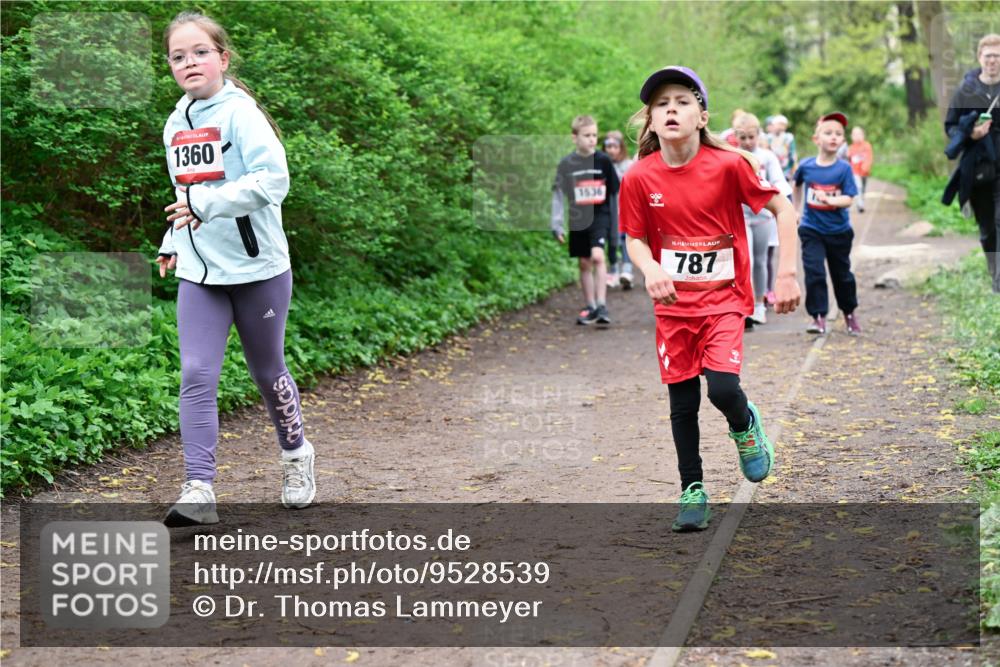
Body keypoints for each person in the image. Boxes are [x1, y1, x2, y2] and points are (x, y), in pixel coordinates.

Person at [620, 66, 801, 532]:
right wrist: (651, 268)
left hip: (724, 300)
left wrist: (785, 274)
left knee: (721, 388)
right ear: (651, 119)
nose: (671, 110)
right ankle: (692, 490)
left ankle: (745, 426)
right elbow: (634, 238)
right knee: (682, 403)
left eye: (682, 101)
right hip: (673, 307)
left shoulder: (728, 165)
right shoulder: (639, 177)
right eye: (661, 104)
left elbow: (783, 209)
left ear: (701, 117)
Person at [156, 11, 315, 526]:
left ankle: (296, 456)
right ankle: (199, 488)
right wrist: (172, 239)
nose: (189, 62)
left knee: (267, 371)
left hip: (257, 270)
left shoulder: (241, 115)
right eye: (178, 56)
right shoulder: (175, 124)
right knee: (196, 373)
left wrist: (207, 205)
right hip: (201, 272)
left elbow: (273, 181)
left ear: (223, 58)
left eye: (200, 52)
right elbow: (184, 193)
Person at [793, 112, 861, 336]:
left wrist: (830, 200)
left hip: (839, 231)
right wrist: (796, 209)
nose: (833, 137)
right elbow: (796, 185)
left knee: (842, 276)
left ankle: (849, 313)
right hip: (811, 229)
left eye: (838, 134)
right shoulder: (806, 166)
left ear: (843, 141)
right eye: (828, 133)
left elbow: (849, 198)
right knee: (814, 273)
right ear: (816, 139)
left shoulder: (844, 169)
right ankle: (818, 317)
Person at [943, 33, 1000, 293]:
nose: (993, 61)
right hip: (978, 168)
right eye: (988, 56)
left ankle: (999, 282)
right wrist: (972, 134)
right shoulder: (965, 91)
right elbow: (951, 126)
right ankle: (994, 271)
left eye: (997, 56)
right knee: (987, 228)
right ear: (979, 57)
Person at [552, 115, 621, 325]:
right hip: (578, 218)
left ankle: (602, 305)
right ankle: (590, 306)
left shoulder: (603, 161)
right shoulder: (566, 164)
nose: (592, 139)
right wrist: (556, 224)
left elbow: (614, 193)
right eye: (587, 135)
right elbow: (558, 194)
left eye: (594, 135)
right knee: (584, 262)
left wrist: (618, 222)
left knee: (598, 257)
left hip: (600, 215)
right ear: (574, 137)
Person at [733, 113, 793, 325]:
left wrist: (782, 201)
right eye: (743, 137)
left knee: (759, 261)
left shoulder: (767, 157)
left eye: (751, 137)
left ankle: (759, 304)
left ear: (758, 134)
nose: (747, 142)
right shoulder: (732, 157)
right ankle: (745, 305)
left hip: (763, 217)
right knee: (745, 260)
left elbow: (780, 182)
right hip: (740, 217)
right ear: (735, 137)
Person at [603, 130, 636, 289]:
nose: (611, 150)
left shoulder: (629, 166)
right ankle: (613, 270)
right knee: (611, 241)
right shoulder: (602, 165)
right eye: (608, 147)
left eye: (615, 147)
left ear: (621, 147)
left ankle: (627, 271)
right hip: (608, 209)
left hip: (625, 209)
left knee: (624, 240)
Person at [847, 125, 874, 213]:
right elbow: (848, 159)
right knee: (859, 186)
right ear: (852, 136)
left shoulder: (867, 146)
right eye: (855, 134)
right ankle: (860, 204)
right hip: (855, 171)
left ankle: (861, 201)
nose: (857, 136)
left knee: (863, 188)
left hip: (864, 172)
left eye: (859, 134)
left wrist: (865, 168)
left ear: (863, 135)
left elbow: (869, 158)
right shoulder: (851, 148)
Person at [768, 113, 797, 182]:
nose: (780, 127)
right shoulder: (768, 138)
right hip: (772, 168)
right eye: (779, 124)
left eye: (783, 125)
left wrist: (793, 168)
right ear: (774, 125)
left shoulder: (788, 138)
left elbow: (792, 154)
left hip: (786, 169)